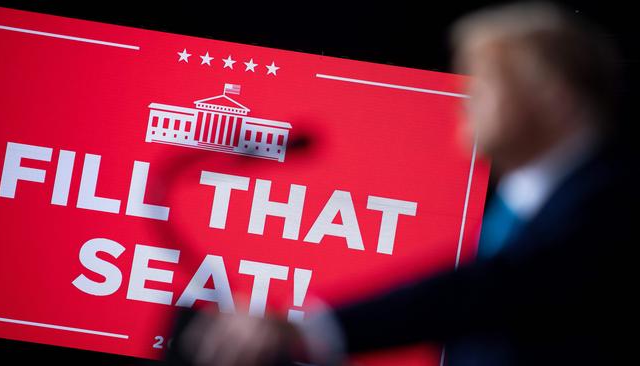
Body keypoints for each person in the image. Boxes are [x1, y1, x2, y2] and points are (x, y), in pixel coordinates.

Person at [165, 2, 637, 365]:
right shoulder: (526, 201)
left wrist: (313, 329)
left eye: (490, 84)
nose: (465, 103)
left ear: (555, 100)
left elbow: (496, 287)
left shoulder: (612, 202)